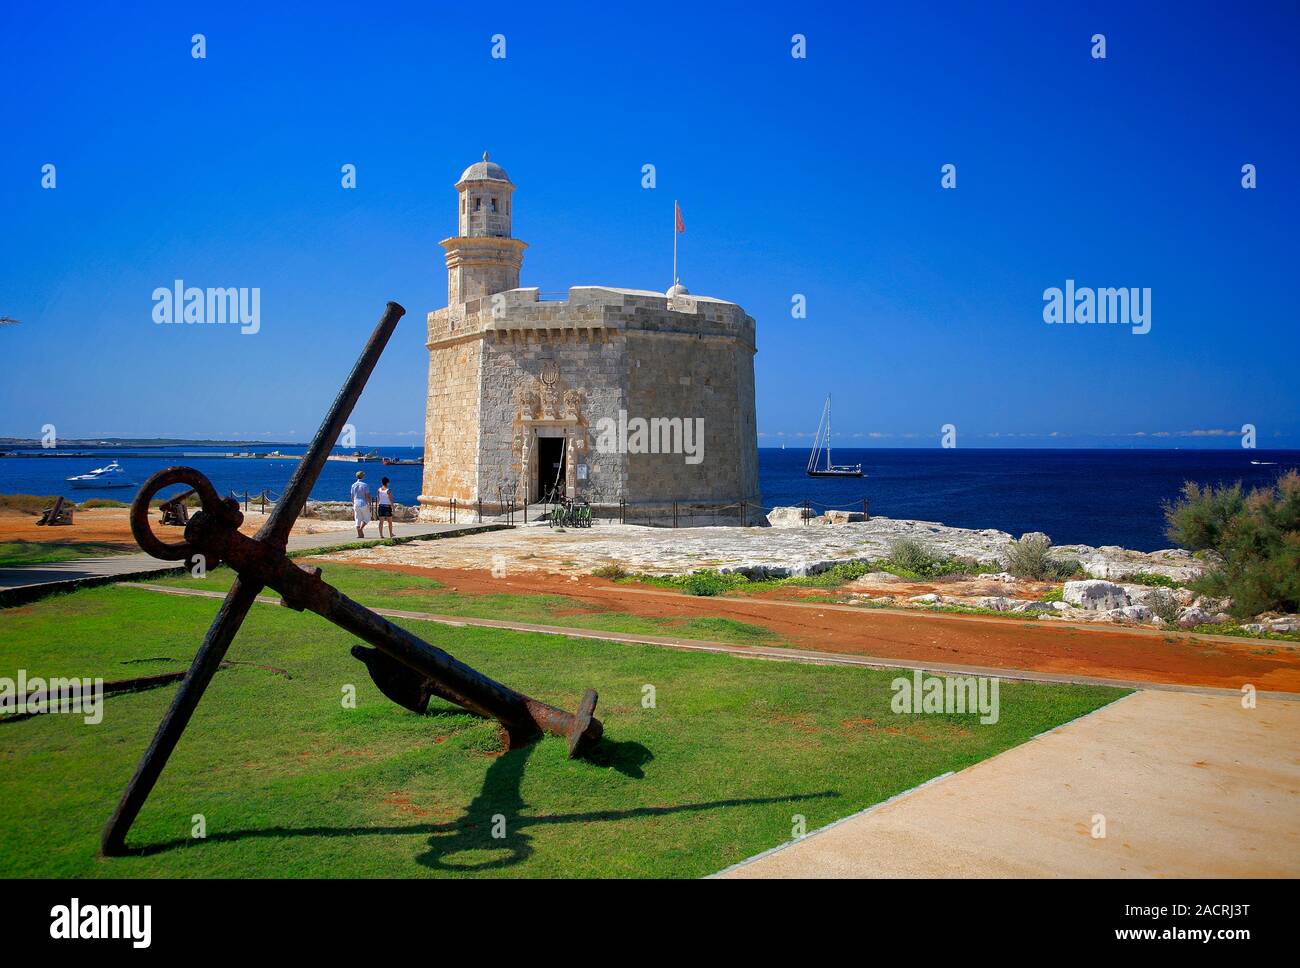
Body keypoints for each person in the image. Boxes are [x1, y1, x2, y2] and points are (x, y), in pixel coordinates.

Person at [350, 470, 372, 538]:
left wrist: (353, 503)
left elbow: (352, 495)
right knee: (367, 518)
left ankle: (359, 534)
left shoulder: (353, 485)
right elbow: (367, 495)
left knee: (357, 518)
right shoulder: (365, 485)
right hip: (363, 503)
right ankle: (361, 529)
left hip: (356, 503)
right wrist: (370, 504)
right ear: (363, 476)